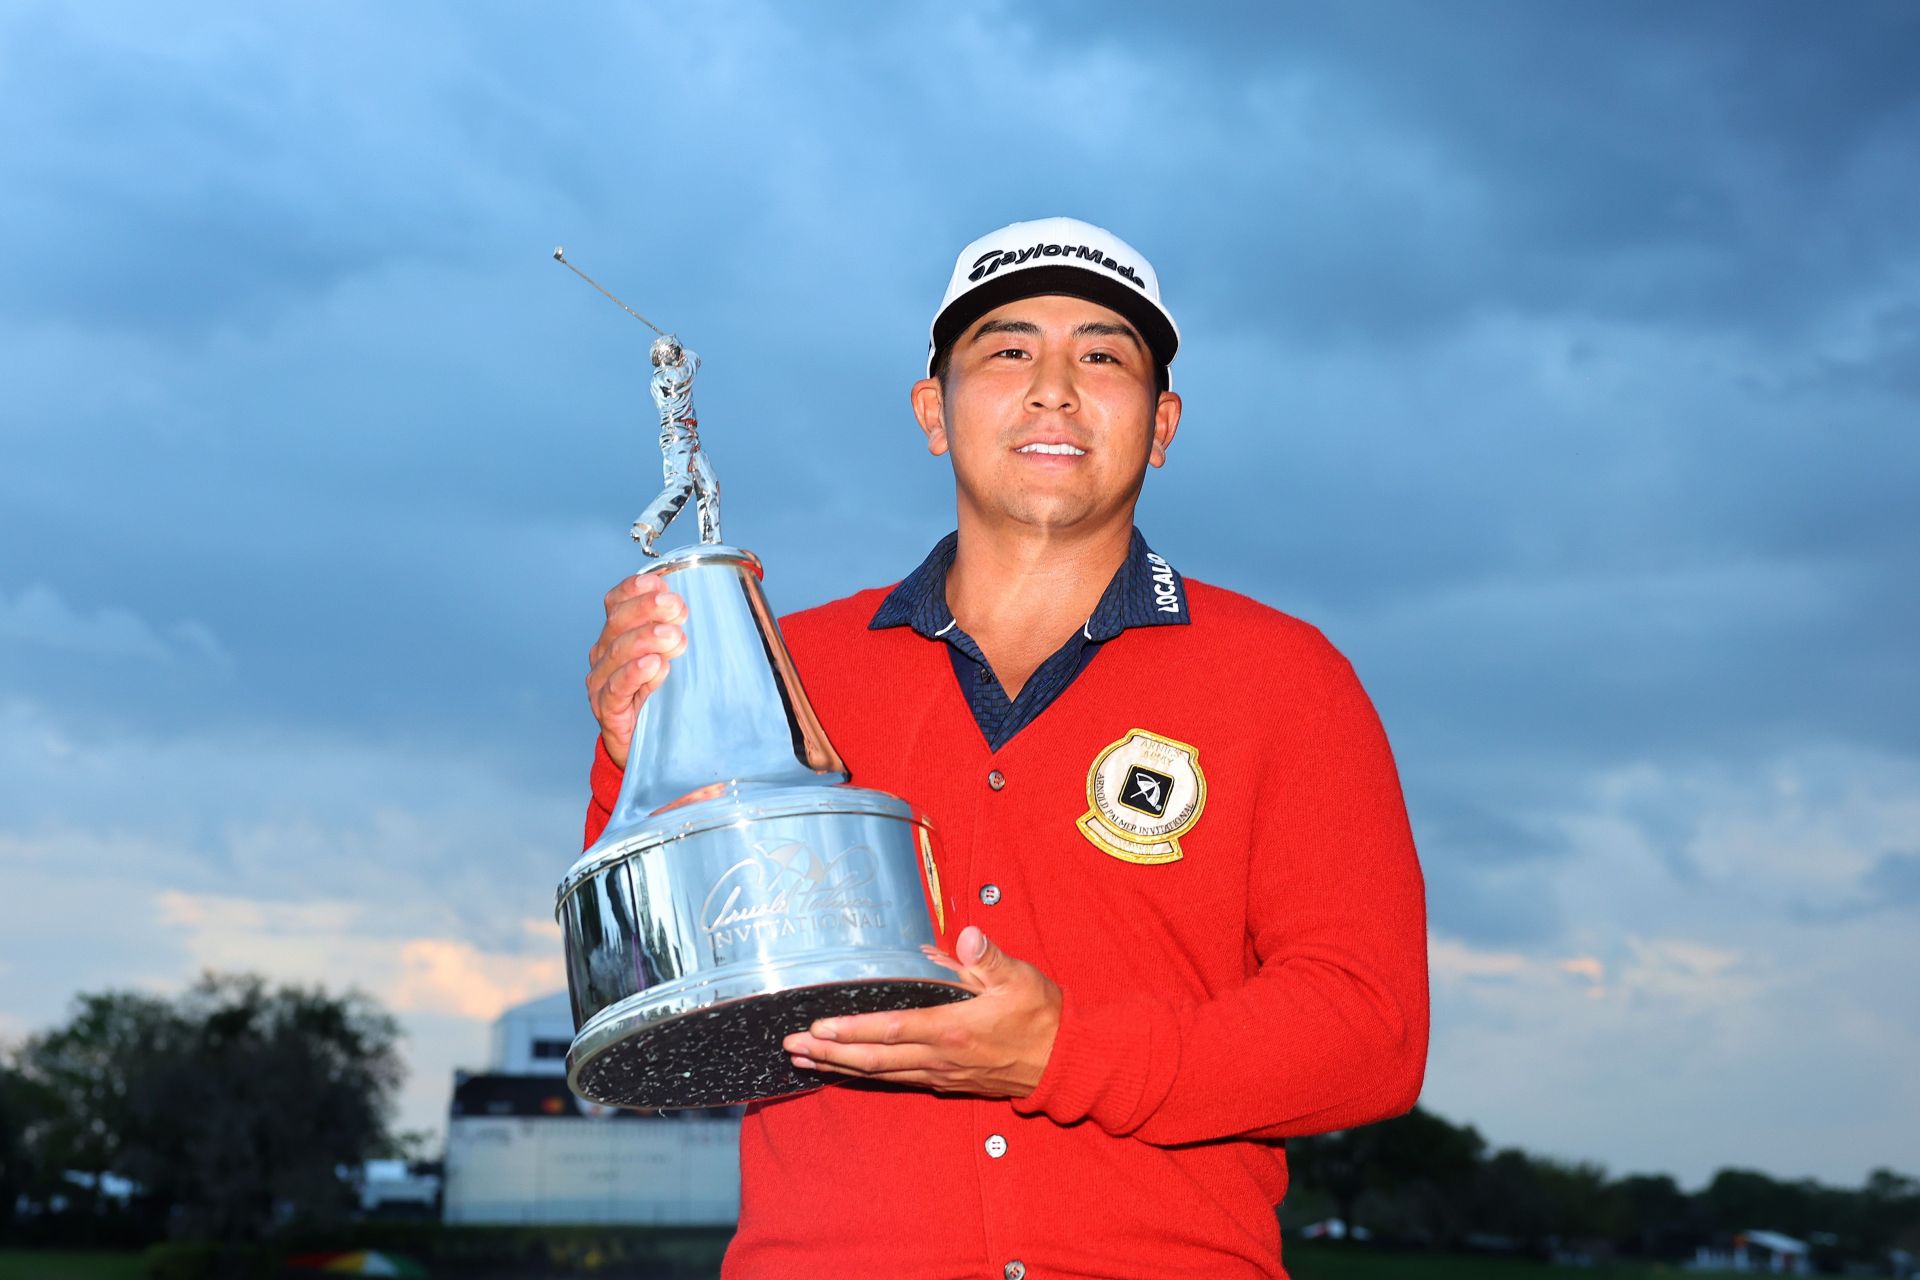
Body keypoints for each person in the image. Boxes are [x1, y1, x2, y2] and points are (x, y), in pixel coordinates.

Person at [582, 216, 1429, 1279]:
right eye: (1009, 349)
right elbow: (659, 992)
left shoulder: (1288, 677)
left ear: (1162, 423)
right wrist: (636, 748)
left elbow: (1371, 1034)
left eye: (1105, 354)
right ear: (933, 411)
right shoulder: (789, 671)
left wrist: (1061, 1051)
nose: (1055, 386)